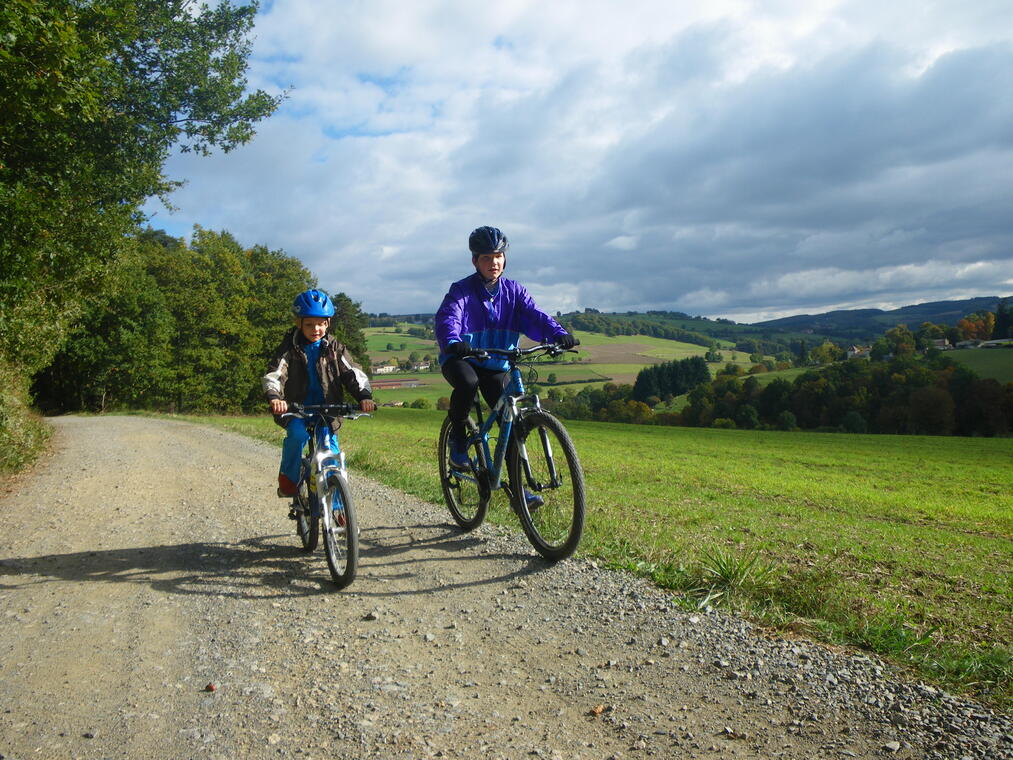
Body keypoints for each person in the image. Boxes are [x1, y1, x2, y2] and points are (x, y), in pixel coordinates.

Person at [435, 226, 577, 496]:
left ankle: (518, 490)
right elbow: (448, 318)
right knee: (467, 382)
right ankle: (458, 441)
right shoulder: (462, 291)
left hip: (496, 362)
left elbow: (535, 316)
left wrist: (559, 334)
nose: (494, 262)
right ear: (475, 260)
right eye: (487, 258)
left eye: (498, 256)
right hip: (461, 357)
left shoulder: (514, 291)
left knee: (511, 425)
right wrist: (453, 341)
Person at [263, 288, 376, 502]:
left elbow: (353, 373)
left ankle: (337, 507)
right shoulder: (289, 348)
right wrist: (275, 397)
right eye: (309, 324)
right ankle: (289, 480)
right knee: (297, 436)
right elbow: (275, 374)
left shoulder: (334, 347)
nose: (316, 328)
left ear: (328, 323)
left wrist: (364, 396)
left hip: (328, 409)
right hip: (296, 410)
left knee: (330, 451)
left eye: (321, 323)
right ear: (299, 323)